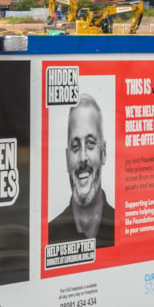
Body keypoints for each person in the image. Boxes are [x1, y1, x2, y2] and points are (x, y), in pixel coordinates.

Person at [48, 94, 115, 247]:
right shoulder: (50, 236)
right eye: (75, 146)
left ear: (103, 153)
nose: (83, 157)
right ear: (67, 159)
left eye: (91, 144)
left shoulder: (123, 228)